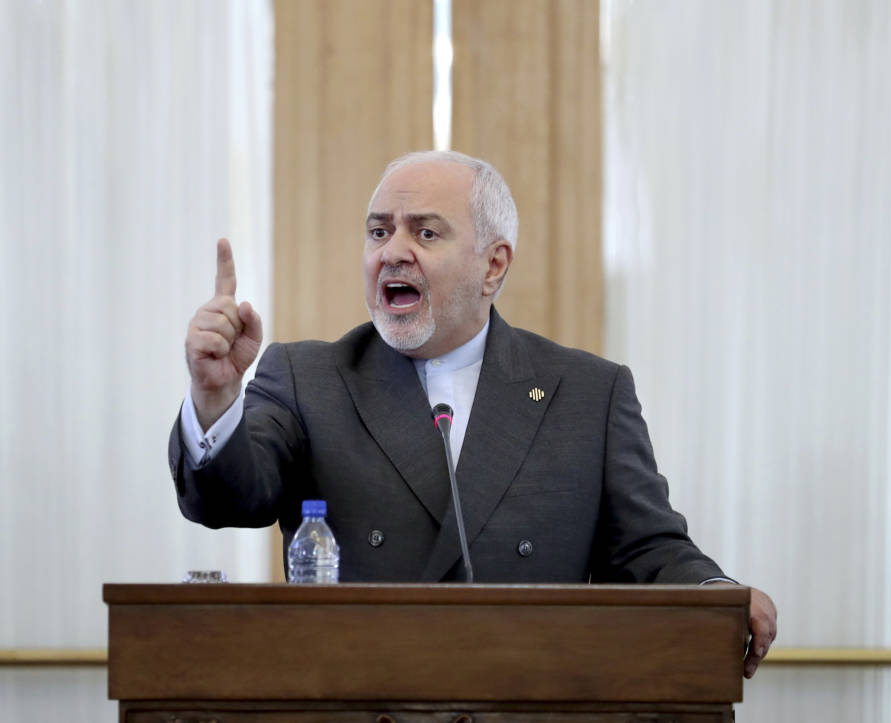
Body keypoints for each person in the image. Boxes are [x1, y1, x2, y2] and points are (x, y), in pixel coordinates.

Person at [170, 150, 777, 677]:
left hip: (528, 699)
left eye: (425, 233)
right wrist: (215, 396)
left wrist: (717, 595)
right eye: (379, 232)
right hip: (359, 697)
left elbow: (650, 549)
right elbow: (227, 501)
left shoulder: (588, 392)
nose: (393, 253)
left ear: (494, 265)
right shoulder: (309, 378)